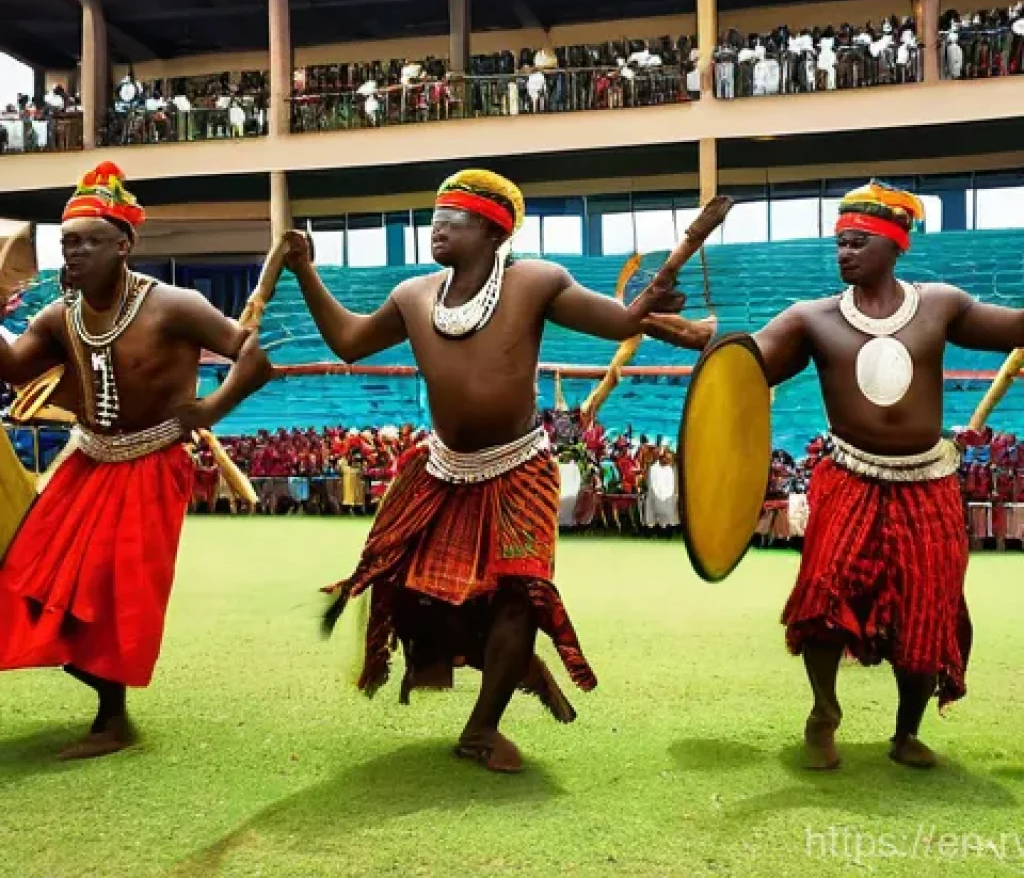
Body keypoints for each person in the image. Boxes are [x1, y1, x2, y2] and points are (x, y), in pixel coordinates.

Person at [284, 168, 704, 772]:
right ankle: (513, 668)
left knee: (521, 595)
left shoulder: (537, 281)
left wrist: (647, 308)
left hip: (520, 468)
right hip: (442, 469)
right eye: (434, 218)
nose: (436, 230)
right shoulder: (412, 295)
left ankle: (482, 729)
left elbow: (617, 322)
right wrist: (305, 272)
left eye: (449, 220)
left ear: (489, 229)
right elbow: (349, 342)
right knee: (415, 590)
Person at [0, 161, 272, 759]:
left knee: (117, 590)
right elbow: (14, 368)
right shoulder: (57, 316)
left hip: (152, 464)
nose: (73, 253)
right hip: (87, 460)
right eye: (67, 242)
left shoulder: (174, 304)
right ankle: (101, 692)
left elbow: (252, 356)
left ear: (124, 245)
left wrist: (212, 408)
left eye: (89, 241)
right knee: (28, 582)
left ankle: (112, 719)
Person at [752, 178, 1024, 770]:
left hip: (929, 483)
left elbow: (1015, 327)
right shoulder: (811, 319)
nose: (844, 252)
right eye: (839, 243)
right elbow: (745, 369)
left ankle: (906, 733)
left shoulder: (942, 305)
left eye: (857, 242)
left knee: (928, 610)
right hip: (847, 475)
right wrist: (699, 340)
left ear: (895, 245)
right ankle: (824, 712)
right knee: (823, 595)